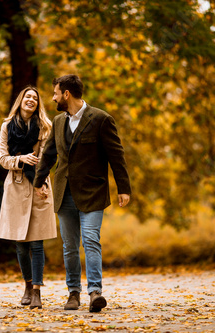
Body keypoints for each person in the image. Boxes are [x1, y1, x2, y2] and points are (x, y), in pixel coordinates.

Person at [34, 74, 131, 312]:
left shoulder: (101, 119)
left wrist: (124, 188)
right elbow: (48, 154)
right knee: (69, 245)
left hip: (93, 192)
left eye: (56, 93)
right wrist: (38, 182)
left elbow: (116, 156)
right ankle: (73, 293)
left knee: (90, 240)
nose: (53, 97)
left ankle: (95, 292)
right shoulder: (57, 122)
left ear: (66, 94)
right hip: (64, 191)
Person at [0, 86, 57, 309]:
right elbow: (3, 159)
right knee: (20, 244)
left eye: (35, 98)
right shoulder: (6, 127)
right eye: (27, 97)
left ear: (38, 104)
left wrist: (40, 180)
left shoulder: (45, 128)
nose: (31, 100)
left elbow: (48, 158)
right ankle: (28, 285)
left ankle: (38, 292)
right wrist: (20, 159)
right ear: (20, 101)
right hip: (16, 185)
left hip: (38, 185)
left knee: (37, 242)